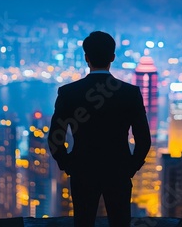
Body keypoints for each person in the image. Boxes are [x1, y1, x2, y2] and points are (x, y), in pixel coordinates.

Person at [48, 31, 151, 227]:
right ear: (113, 57)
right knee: (120, 223)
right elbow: (144, 140)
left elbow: (55, 138)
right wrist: (130, 168)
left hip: (83, 171)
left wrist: (69, 165)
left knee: (83, 222)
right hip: (118, 170)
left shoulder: (69, 93)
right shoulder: (130, 93)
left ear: (86, 58)